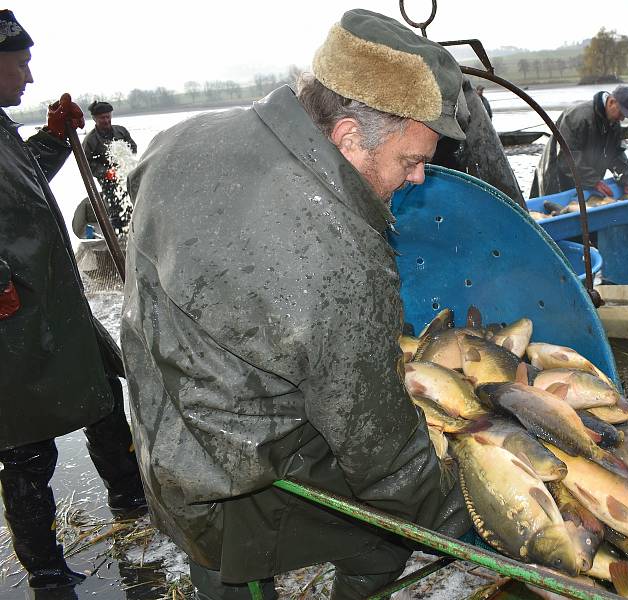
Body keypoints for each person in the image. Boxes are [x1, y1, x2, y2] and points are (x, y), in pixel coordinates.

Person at [121, 9, 470, 600]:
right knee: (383, 535)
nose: (416, 179)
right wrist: (470, 519)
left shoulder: (184, 136)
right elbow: (379, 452)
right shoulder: (341, 252)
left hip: (159, 430)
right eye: (411, 161)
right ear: (349, 137)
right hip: (231, 484)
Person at [0, 10, 146, 591]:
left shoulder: (2, 128)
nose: (29, 76)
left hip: (54, 302)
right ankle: (46, 571)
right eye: (20, 62)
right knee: (26, 444)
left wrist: (56, 140)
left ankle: (132, 503)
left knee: (105, 397)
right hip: (13, 316)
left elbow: (24, 179)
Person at [536, 85, 628, 197]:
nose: (622, 118)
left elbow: (615, 154)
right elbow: (567, 157)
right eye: (621, 113)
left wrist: (627, 178)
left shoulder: (613, 123)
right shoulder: (578, 118)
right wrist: (594, 181)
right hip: (557, 179)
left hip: (586, 181)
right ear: (611, 102)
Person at [81, 100, 137, 234]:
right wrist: (106, 172)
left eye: (108, 116)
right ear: (94, 118)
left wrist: (127, 158)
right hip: (108, 179)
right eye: (102, 118)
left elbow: (133, 147)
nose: (106, 120)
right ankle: (117, 236)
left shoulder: (121, 131)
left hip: (126, 173)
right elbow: (86, 164)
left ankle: (135, 232)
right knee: (116, 209)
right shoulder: (90, 140)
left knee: (134, 202)